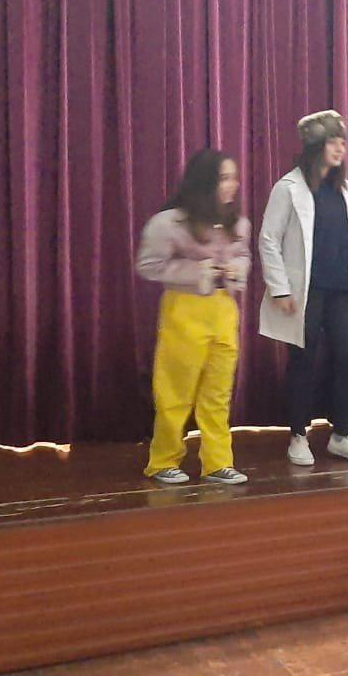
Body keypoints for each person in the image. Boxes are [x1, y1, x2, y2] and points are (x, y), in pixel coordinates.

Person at [258, 109, 348, 465]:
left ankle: (342, 435)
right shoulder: (288, 188)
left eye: (342, 142)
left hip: (340, 289)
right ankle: (298, 435)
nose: (340, 149)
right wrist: (280, 289)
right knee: (303, 362)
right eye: (332, 142)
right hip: (305, 292)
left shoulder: (345, 190)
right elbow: (269, 240)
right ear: (315, 146)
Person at [136, 148, 251, 485]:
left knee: (218, 393)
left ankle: (218, 462)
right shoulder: (169, 223)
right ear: (205, 182)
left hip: (223, 311)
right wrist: (198, 270)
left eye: (233, 177)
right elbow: (148, 265)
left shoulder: (237, 223)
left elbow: (244, 256)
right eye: (225, 178)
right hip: (184, 309)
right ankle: (163, 460)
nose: (233, 185)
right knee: (175, 390)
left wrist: (235, 268)